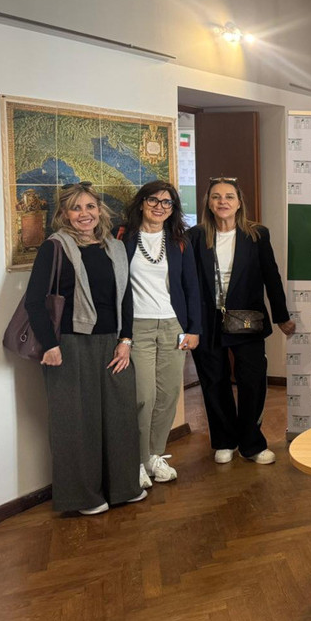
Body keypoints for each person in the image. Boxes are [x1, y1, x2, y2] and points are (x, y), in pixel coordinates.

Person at [25, 182, 146, 514]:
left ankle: (123, 487)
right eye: (76, 208)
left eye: (90, 206)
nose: (84, 214)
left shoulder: (114, 248)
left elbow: (126, 297)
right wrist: (50, 345)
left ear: (99, 210)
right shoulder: (54, 247)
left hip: (113, 343)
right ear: (64, 214)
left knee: (120, 417)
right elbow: (34, 301)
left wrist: (126, 341)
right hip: (69, 345)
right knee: (76, 423)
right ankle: (84, 497)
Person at [189, 178, 295, 466]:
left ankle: (252, 443)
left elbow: (271, 276)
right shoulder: (195, 236)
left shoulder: (256, 234)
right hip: (207, 321)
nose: (222, 201)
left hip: (247, 319)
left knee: (252, 381)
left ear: (239, 203)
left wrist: (282, 316)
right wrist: (188, 323)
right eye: (216, 197)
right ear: (209, 203)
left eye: (229, 196)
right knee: (214, 381)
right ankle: (225, 441)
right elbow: (188, 282)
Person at [117, 181, 202, 487]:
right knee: (143, 396)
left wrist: (194, 329)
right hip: (137, 326)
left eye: (167, 202)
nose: (159, 207)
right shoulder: (122, 237)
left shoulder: (179, 241)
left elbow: (191, 287)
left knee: (168, 396)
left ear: (173, 209)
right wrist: (122, 334)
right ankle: (138, 461)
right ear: (141, 203)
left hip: (172, 326)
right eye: (153, 200)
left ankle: (154, 455)